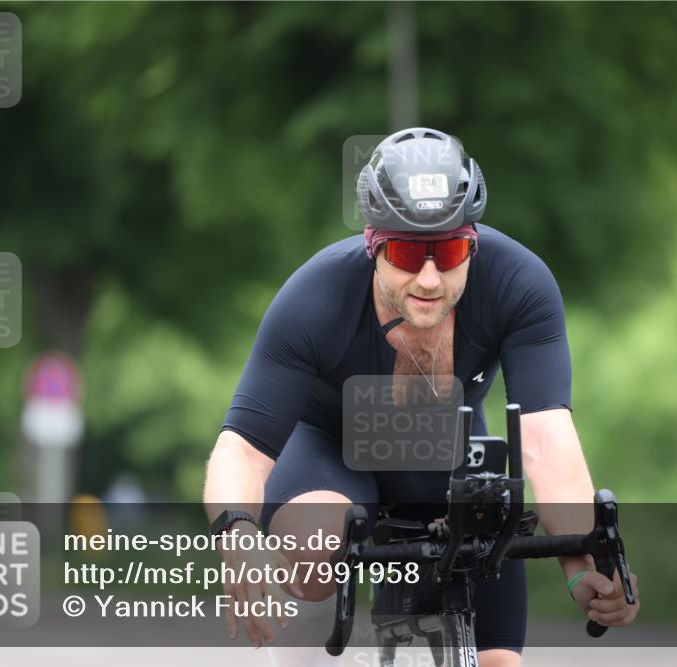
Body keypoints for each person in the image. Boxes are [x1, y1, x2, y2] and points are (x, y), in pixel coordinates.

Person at [203, 128, 640, 667]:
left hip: (448, 448)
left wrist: (584, 565)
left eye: (451, 250)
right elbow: (241, 449)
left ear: (472, 241)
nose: (430, 278)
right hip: (330, 453)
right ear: (374, 243)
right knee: (313, 548)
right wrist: (237, 532)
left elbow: (548, 440)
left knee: (501, 659)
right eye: (409, 252)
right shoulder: (313, 298)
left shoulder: (520, 283)